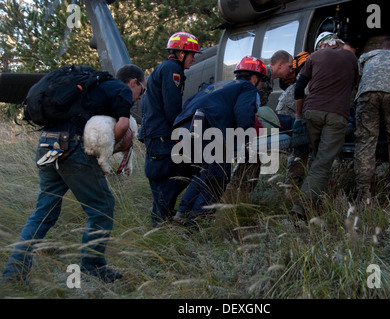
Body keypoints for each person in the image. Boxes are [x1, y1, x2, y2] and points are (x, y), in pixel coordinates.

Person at [2, 64, 146, 283]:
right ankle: (93, 269)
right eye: (141, 90)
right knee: (102, 207)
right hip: (72, 148)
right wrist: (114, 149)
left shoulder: (94, 85)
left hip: (47, 144)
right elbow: (124, 125)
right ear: (134, 82)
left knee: (43, 214)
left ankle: (13, 274)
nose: (138, 97)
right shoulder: (121, 89)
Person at [172, 56, 268, 225]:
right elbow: (244, 116)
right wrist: (244, 142)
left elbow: (189, 103)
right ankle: (196, 224)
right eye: (261, 82)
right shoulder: (247, 87)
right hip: (208, 132)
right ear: (254, 78)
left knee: (203, 174)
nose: (260, 86)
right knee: (218, 178)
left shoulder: (219, 85)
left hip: (184, 130)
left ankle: (182, 213)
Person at [291, 32, 358, 220]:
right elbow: (353, 87)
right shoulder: (351, 58)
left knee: (316, 158)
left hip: (312, 112)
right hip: (338, 115)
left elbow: (298, 88)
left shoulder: (315, 56)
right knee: (322, 163)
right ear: (337, 43)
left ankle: (313, 201)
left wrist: (298, 117)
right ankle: (302, 207)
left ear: (321, 45)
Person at [139, 32, 201, 226]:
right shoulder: (173, 70)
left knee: (176, 176)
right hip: (162, 137)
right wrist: (182, 135)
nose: (193, 59)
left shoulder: (163, 69)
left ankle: (165, 217)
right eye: (191, 54)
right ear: (181, 53)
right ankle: (161, 226)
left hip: (156, 135)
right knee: (170, 179)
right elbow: (172, 108)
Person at [223, 50, 294, 201]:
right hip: (248, 126)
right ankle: (235, 195)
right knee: (250, 161)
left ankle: (238, 195)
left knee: (251, 162)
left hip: (251, 126)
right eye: (289, 66)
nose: (291, 70)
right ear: (280, 65)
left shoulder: (267, 78)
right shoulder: (262, 77)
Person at [354, 36, 390, 200]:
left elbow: (358, 77)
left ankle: (363, 193)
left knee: (365, 141)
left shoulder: (368, 56)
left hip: (367, 93)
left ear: (381, 47)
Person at [275, 51, 310, 199]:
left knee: (299, 152)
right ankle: (291, 191)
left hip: (288, 111)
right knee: (299, 151)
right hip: (289, 113)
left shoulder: (300, 79)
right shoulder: (305, 80)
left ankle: (293, 188)